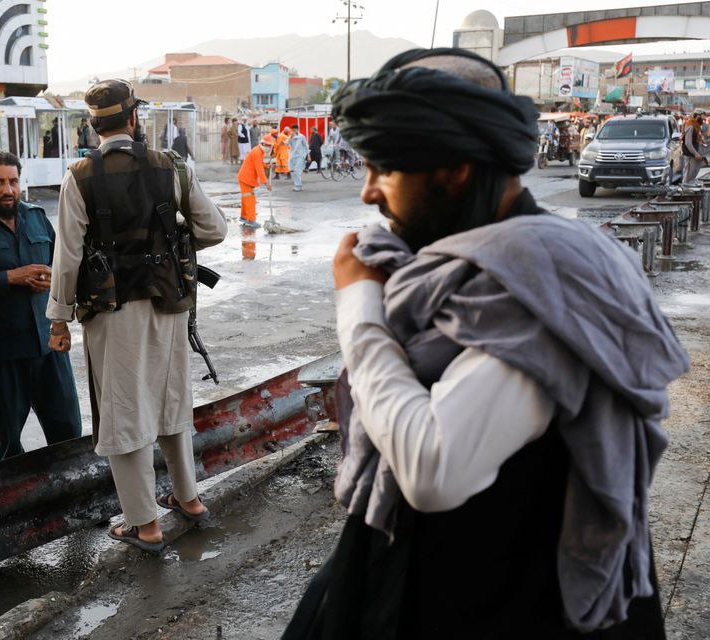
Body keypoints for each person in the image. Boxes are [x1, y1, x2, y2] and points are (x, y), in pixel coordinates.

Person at [283, 48, 686, 639]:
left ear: (456, 169)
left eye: (384, 169)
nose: (369, 193)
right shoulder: (471, 264)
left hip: (506, 600)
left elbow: (433, 469)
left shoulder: (542, 277)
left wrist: (359, 303)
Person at [46, 79, 227, 552]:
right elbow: (214, 229)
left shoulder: (79, 176)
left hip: (112, 312)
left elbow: (67, 257)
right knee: (170, 401)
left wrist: (58, 319)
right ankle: (188, 500)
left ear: (93, 126)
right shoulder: (172, 165)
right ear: (133, 119)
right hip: (169, 304)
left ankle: (145, 525)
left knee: (123, 413)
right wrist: (172, 240)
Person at [0, 150, 83, 460]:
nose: (8, 190)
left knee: (68, 438)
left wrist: (51, 278)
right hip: (2, 354)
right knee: (8, 446)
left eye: (13, 181)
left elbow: (61, 264)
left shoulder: (36, 217)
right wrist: (9, 278)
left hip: (49, 349)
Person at [238, 135, 273, 227]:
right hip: (246, 178)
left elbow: (259, 164)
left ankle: (244, 217)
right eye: (267, 145)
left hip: (245, 178)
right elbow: (259, 169)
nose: (268, 147)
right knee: (250, 199)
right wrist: (266, 183)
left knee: (246, 198)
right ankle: (251, 220)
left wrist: (266, 166)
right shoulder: (257, 152)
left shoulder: (258, 151)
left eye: (269, 146)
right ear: (263, 144)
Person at [682, 112, 704, 184]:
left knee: (692, 173)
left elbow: (697, 140)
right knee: (688, 174)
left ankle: (688, 185)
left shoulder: (695, 127)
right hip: (690, 154)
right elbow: (688, 143)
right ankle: (685, 187)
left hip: (693, 154)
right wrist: (696, 154)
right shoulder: (691, 127)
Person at [288, 124, 309, 191]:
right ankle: (297, 185)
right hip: (293, 156)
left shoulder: (302, 137)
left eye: (294, 130)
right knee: (295, 171)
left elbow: (306, 146)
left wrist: (308, 155)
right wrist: (290, 138)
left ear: (297, 129)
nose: (293, 131)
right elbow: (287, 144)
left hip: (300, 156)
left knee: (297, 170)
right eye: (292, 130)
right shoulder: (291, 137)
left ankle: (298, 186)